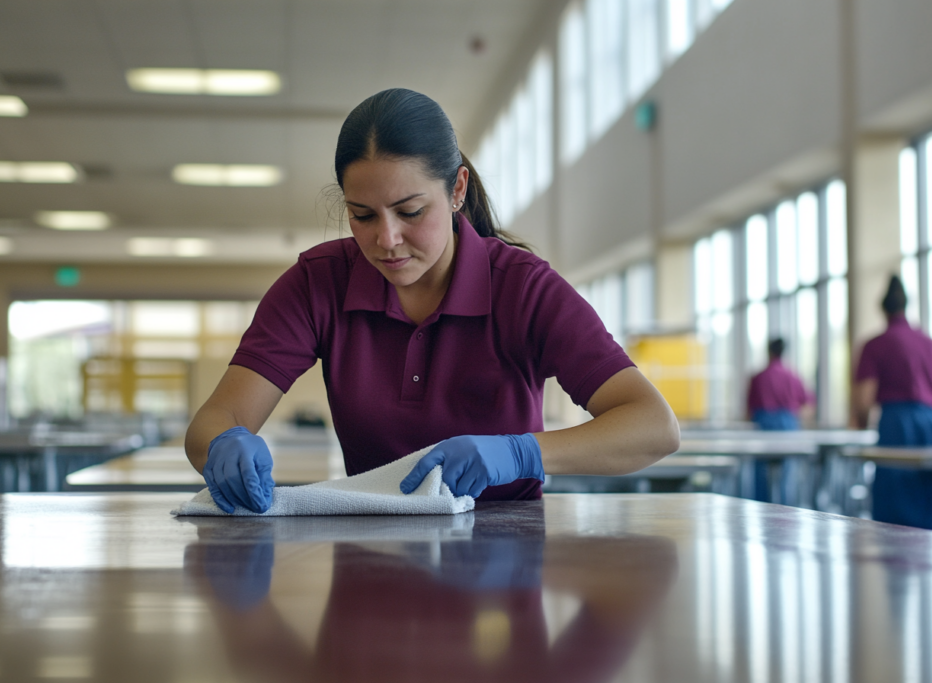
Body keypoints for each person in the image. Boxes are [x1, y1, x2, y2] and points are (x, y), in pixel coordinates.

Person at [184, 88, 680, 513]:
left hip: (506, 560)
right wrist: (223, 445)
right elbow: (213, 421)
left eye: (411, 211)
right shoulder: (318, 283)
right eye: (363, 215)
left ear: (457, 188)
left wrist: (521, 453)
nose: (387, 239)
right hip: (372, 554)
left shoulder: (522, 288)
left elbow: (653, 426)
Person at [852, 275, 932, 531]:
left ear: (883, 309)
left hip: (897, 426)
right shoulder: (930, 344)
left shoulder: (875, 345)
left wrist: (862, 423)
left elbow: (864, 400)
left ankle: (896, 570)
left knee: (894, 519)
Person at [746, 337, 814, 431]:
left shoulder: (758, 378)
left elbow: (748, 411)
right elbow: (808, 405)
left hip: (763, 429)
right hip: (788, 428)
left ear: (769, 352)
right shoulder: (793, 377)